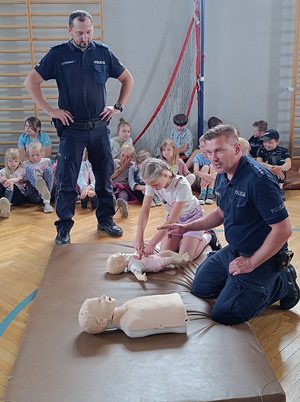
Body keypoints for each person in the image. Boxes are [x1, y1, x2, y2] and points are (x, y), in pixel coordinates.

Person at [160, 124, 299, 326]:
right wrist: (186, 227)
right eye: (209, 152)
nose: (213, 157)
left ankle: (282, 283)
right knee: (200, 288)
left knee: (225, 314)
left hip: (262, 256)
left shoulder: (259, 180)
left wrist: (251, 263)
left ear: (236, 149)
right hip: (235, 250)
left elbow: (284, 230)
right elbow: (220, 213)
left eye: (219, 150)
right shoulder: (223, 175)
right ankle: (242, 284)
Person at [24, 10, 134, 244]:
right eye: (80, 33)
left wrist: (118, 107)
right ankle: (63, 228)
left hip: (99, 128)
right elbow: (31, 81)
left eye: (89, 32)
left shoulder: (103, 52)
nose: (85, 37)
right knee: (66, 181)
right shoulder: (58, 54)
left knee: (104, 178)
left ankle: (106, 221)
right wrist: (51, 111)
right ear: (70, 31)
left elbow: (128, 79)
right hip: (72, 129)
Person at [133, 158, 221, 262]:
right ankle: (185, 240)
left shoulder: (182, 185)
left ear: (165, 175)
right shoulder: (152, 184)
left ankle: (208, 236)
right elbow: (145, 211)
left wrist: (152, 243)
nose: (153, 188)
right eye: (150, 185)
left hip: (192, 219)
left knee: (185, 258)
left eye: (155, 185)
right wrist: (139, 238)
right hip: (175, 220)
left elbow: (172, 220)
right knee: (164, 255)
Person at [78, 293, 188, 338]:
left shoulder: (127, 305)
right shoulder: (130, 326)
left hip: (175, 299)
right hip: (180, 312)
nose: (103, 296)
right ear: (101, 320)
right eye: (99, 302)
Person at [106, 250, 190, 281]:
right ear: (120, 264)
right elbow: (137, 273)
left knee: (168, 252)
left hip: (155, 256)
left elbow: (136, 254)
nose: (117, 253)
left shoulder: (128, 258)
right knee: (171, 259)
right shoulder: (133, 266)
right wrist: (140, 277)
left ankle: (180, 256)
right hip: (156, 264)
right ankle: (182, 260)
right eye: (116, 255)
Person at [256, 129, 291, 201]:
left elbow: (288, 164)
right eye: (265, 142)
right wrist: (272, 169)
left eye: (270, 142)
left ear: (277, 142)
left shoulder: (283, 150)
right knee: (269, 160)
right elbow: (258, 162)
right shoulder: (261, 150)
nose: (267, 145)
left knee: (279, 161)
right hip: (266, 172)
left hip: (280, 175)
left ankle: (280, 188)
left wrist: (279, 168)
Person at [23, 142, 54, 213]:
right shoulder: (25, 164)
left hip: (48, 195)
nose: (35, 157)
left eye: (37, 155)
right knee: (29, 169)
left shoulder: (47, 161)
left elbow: (51, 178)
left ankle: (46, 202)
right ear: (28, 155)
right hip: (34, 194)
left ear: (41, 153)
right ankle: (41, 189)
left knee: (48, 169)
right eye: (32, 155)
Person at [112, 144, 138, 218]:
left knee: (123, 196)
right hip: (112, 185)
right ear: (120, 154)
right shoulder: (115, 162)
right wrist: (122, 168)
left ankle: (124, 207)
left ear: (131, 158)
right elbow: (109, 177)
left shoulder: (132, 166)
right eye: (123, 155)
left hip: (124, 187)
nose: (124, 158)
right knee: (111, 195)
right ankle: (111, 204)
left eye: (127, 157)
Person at [0, 148, 27, 218]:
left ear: (19, 161)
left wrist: (11, 181)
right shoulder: (3, 171)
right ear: (6, 161)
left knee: (11, 184)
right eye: (10, 161)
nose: (13, 163)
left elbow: (19, 178)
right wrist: (2, 180)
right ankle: (3, 204)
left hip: (18, 196)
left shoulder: (22, 170)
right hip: (5, 195)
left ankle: (7, 207)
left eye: (16, 161)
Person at [193, 137, 216, 205]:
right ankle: (203, 192)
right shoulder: (198, 157)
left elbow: (220, 171)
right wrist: (206, 176)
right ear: (199, 147)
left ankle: (210, 192)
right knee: (205, 167)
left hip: (213, 181)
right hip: (200, 182)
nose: (205, 149)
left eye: (207, 146)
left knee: (212, 166)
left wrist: (211, 177)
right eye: (202, 146)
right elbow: (196, 171)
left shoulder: (214, 156)